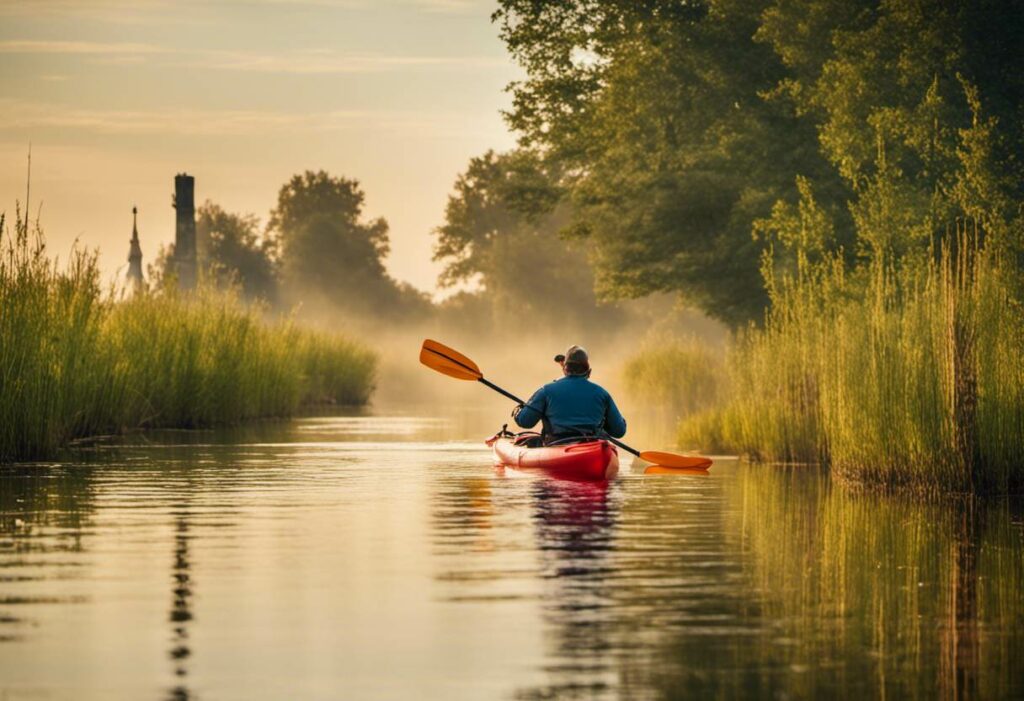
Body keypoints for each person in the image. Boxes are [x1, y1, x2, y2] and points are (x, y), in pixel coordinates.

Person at [513, 345, 627, 444]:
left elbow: (525, 421)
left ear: (565, 369)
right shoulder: (603, 394)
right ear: (589, 372)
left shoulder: (546, 391)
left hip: (557, 446)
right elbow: (619, 431)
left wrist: (518, 411)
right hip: (592, 447)